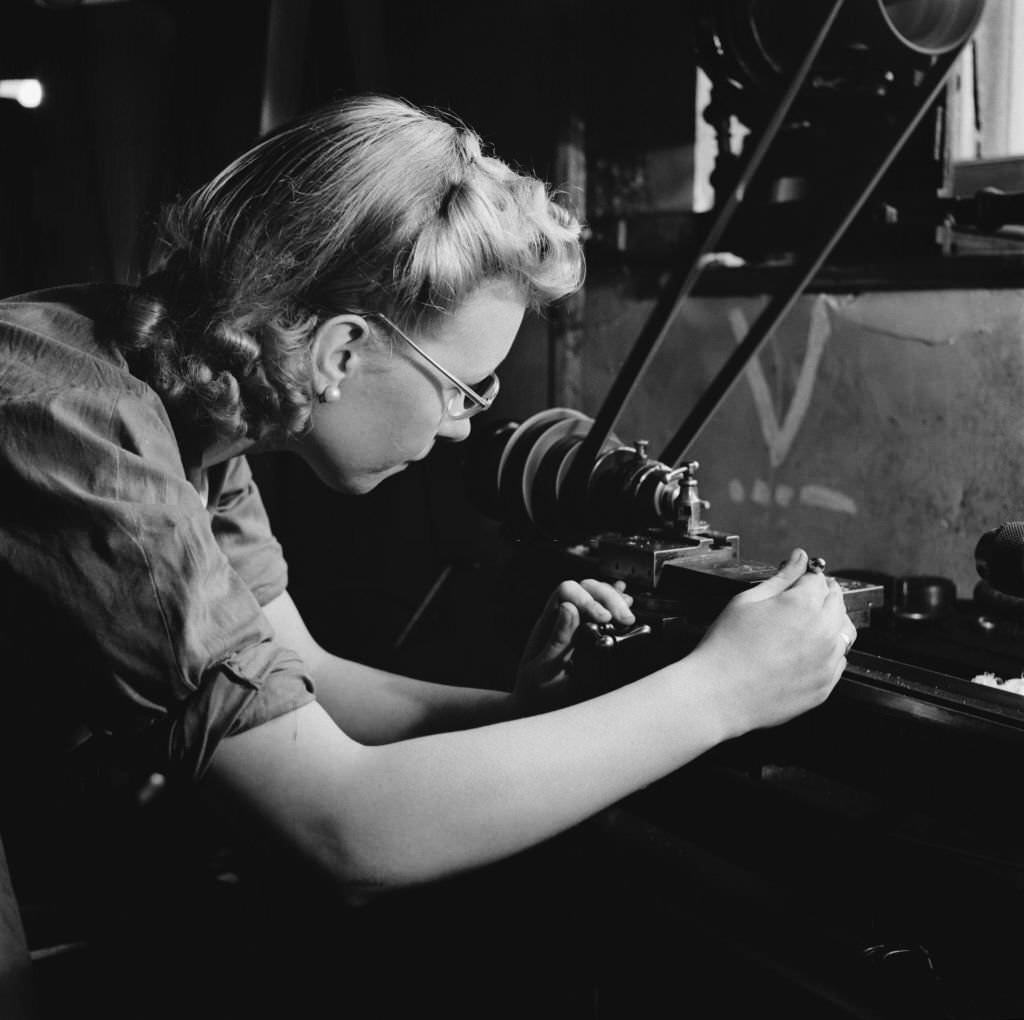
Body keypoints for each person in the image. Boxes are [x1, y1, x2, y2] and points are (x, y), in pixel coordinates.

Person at [0, 94, 854, 1017]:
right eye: (462, 387)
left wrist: (539, 713)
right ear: (340, 350)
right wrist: (719, 693)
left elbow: (304, 680)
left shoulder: (204, 413)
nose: (463, 425)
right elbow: (343, 831)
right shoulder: (82, 437)